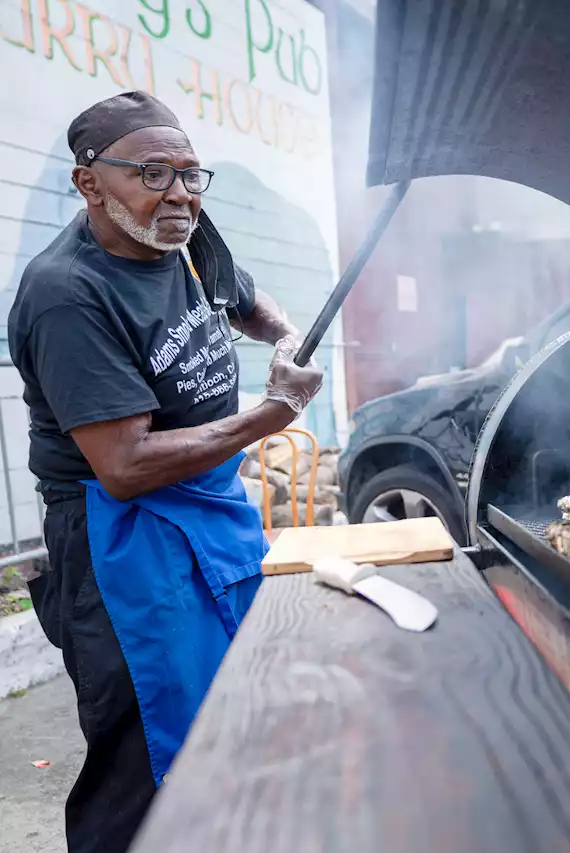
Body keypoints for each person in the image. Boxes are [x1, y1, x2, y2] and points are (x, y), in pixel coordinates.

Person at [6, 91, 324, 853]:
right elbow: (123, 466)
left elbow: (245, 298)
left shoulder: (180, 231)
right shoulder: (67, 295)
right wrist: (270, 414)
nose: (179, 192)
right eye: (153, 173)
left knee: (234, 717)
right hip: (123, 538)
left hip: (211, 513)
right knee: (149, 757)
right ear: (90, 183)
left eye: (189, 173)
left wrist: (281, 341)